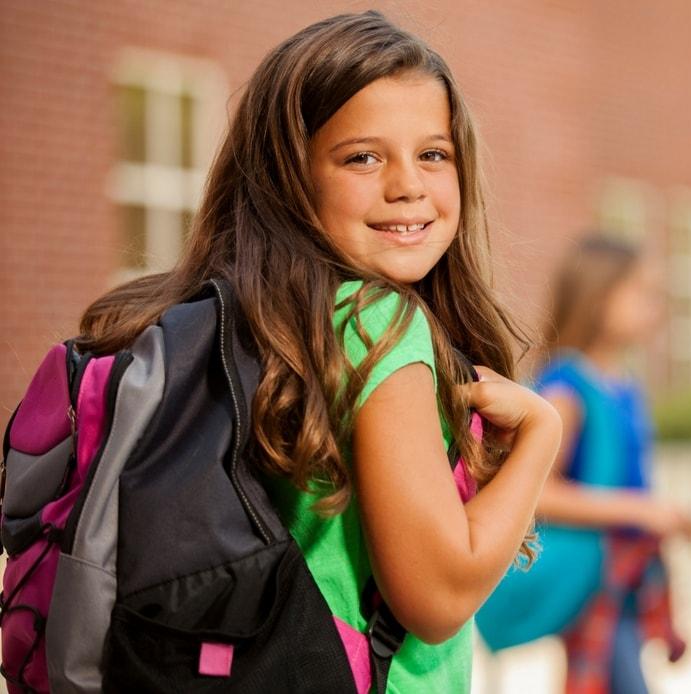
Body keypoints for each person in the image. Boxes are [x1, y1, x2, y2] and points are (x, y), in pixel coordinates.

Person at [75, 11, 560, 691]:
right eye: (362, 157)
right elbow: (437, 598)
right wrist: (542, 432)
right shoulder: (375, 324)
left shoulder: (254, 317)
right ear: (287, 175)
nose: (407, 185)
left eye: (433, 153)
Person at [477, 236, 690, 694]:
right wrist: (639, 510)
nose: (656, 306)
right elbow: (538, 492)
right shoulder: (564, 389)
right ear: (597, 296)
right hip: (587, 578)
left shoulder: (624, 383)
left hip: (621, 580)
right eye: (642, 291)